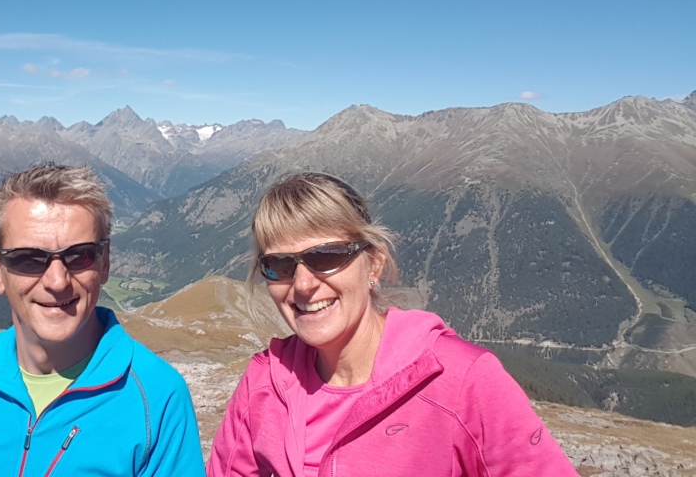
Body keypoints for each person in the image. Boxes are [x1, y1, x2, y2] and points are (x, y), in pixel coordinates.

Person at [207, 172, 577, 477]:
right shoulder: (263, 384)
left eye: (326, 257)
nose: (303, 284)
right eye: (279, 265)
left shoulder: (464, 381)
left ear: (374, 264)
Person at [0, 163, 204, 476]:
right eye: (28, 259)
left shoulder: (158, 396)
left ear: (105, 262)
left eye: (80, 255)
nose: (57, 281)